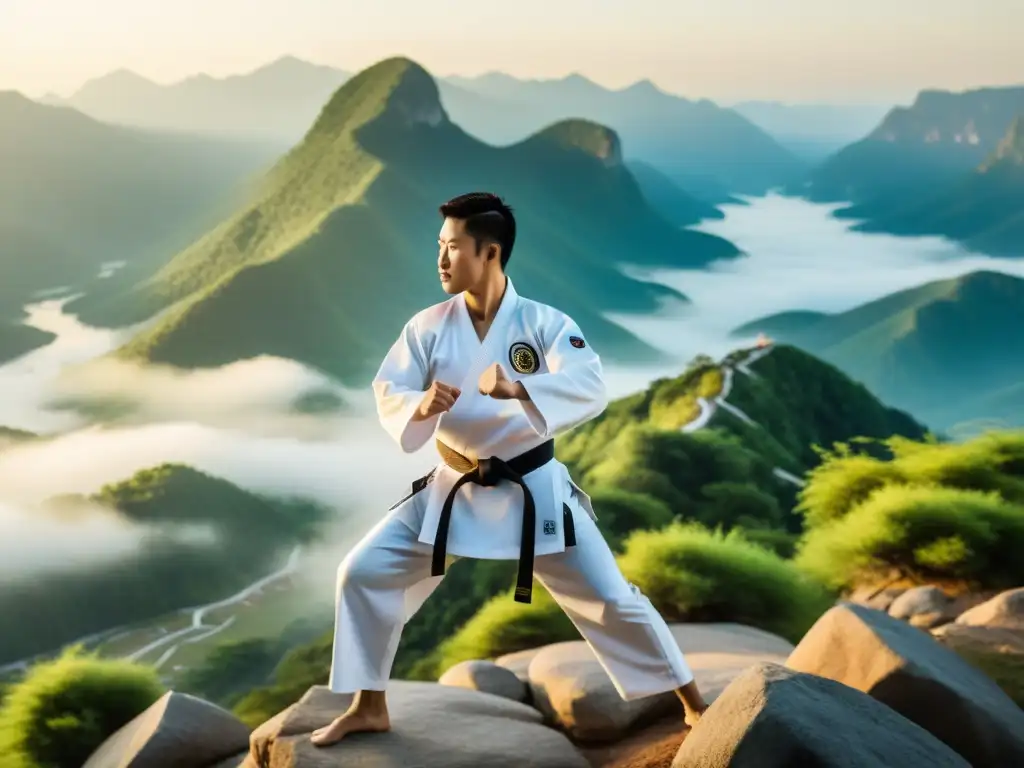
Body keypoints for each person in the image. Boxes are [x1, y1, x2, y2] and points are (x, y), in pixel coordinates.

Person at [311, 192, 708, 747]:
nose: (442, 260)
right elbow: (389, 388)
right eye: (439, 247)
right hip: (453, 489)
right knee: (361, 572)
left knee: (612, 598)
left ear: (490, 253)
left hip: (532, 493)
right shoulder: (427, 326)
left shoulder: (544, 323)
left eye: (453, 248)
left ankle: (693, 704)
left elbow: (591, 385)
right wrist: (419, 405)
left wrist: (517, 386)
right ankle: (368, 705)